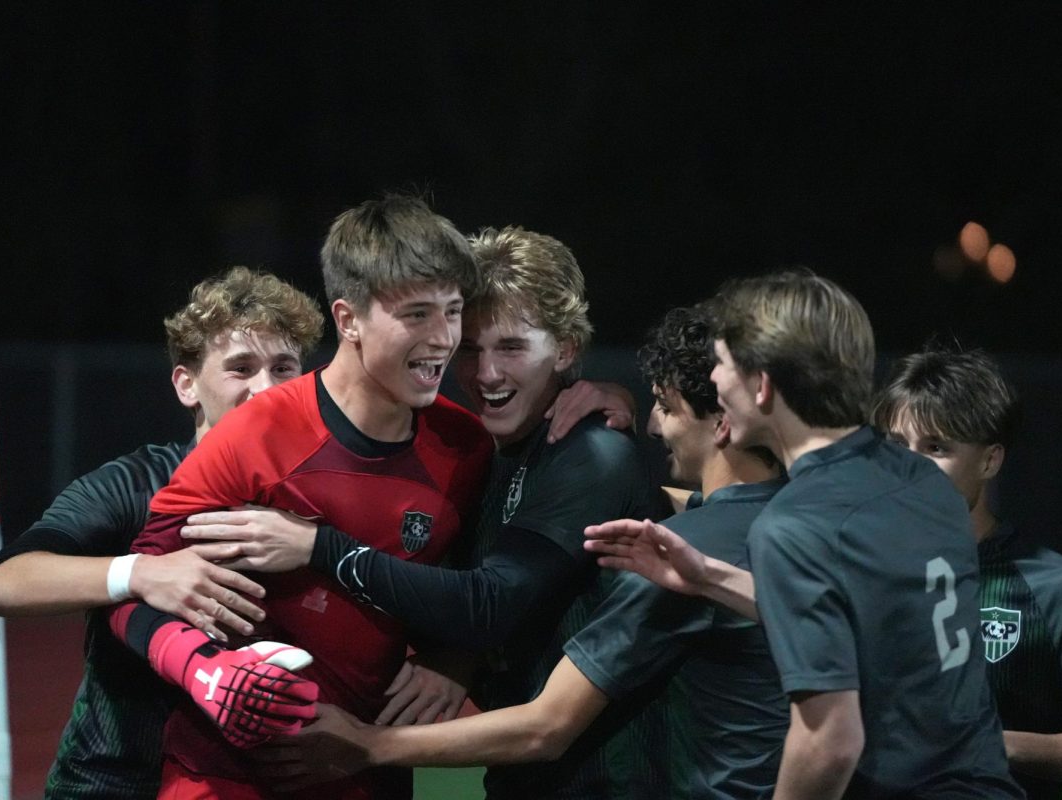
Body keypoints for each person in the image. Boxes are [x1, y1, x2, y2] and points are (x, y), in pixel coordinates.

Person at [184, 226, 665, 799]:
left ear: (564, 350)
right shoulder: (485, 455)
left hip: (612, 782)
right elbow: (466, 587)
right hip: (527, 782)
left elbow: (493, 604)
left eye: (511, 348)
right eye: (470, 348)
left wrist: (319, 546)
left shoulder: (591, 451)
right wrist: (454, 656)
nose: (486, 373)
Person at [249, 305, 789, 798]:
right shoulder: (785, 524)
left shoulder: (679, 553)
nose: (650, 424)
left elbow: (547, 726)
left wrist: (368, 745)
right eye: (469, 349)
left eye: (666, 407)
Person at [108, 195, 493, 800]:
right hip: (226, 774)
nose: (444, 337)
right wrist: (204, 669)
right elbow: (137, 592)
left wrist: (455, 660)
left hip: (370, 771)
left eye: (453, 310)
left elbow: (481, 589)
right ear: (348, 321)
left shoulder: (466, 445)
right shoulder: (256, 433)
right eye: (416, 314)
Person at [586, 270, 1023, 799]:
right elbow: (871, 618)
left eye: (723, 364)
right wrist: (710, 577)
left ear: (763, 386)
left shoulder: (795, 523)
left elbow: (830, 741)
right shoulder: (918, 480)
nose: (717, 383)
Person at [0, 266, 325, 799]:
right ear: (187, 385)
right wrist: (141, 571)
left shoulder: (322, 499)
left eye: (284, 367)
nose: (268, 389)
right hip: (111, 784)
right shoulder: (135, 484)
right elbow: (4, 583)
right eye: (241, 368)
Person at [870, 345, 1062, 798]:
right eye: (897, 446)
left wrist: (989, 746)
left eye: (936, 447)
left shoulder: (1059, 588)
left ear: (989, 460)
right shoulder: (860, 574)